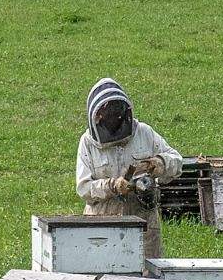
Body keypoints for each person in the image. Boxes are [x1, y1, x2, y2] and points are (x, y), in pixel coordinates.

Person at [76, 77, 181, 256]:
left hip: (144, 224)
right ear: (97, 118)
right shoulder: (88, 143)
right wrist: (112, 186)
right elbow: (83, 188)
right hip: (102, 225)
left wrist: (160, 163)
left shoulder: (144, 133)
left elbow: (177, 161)